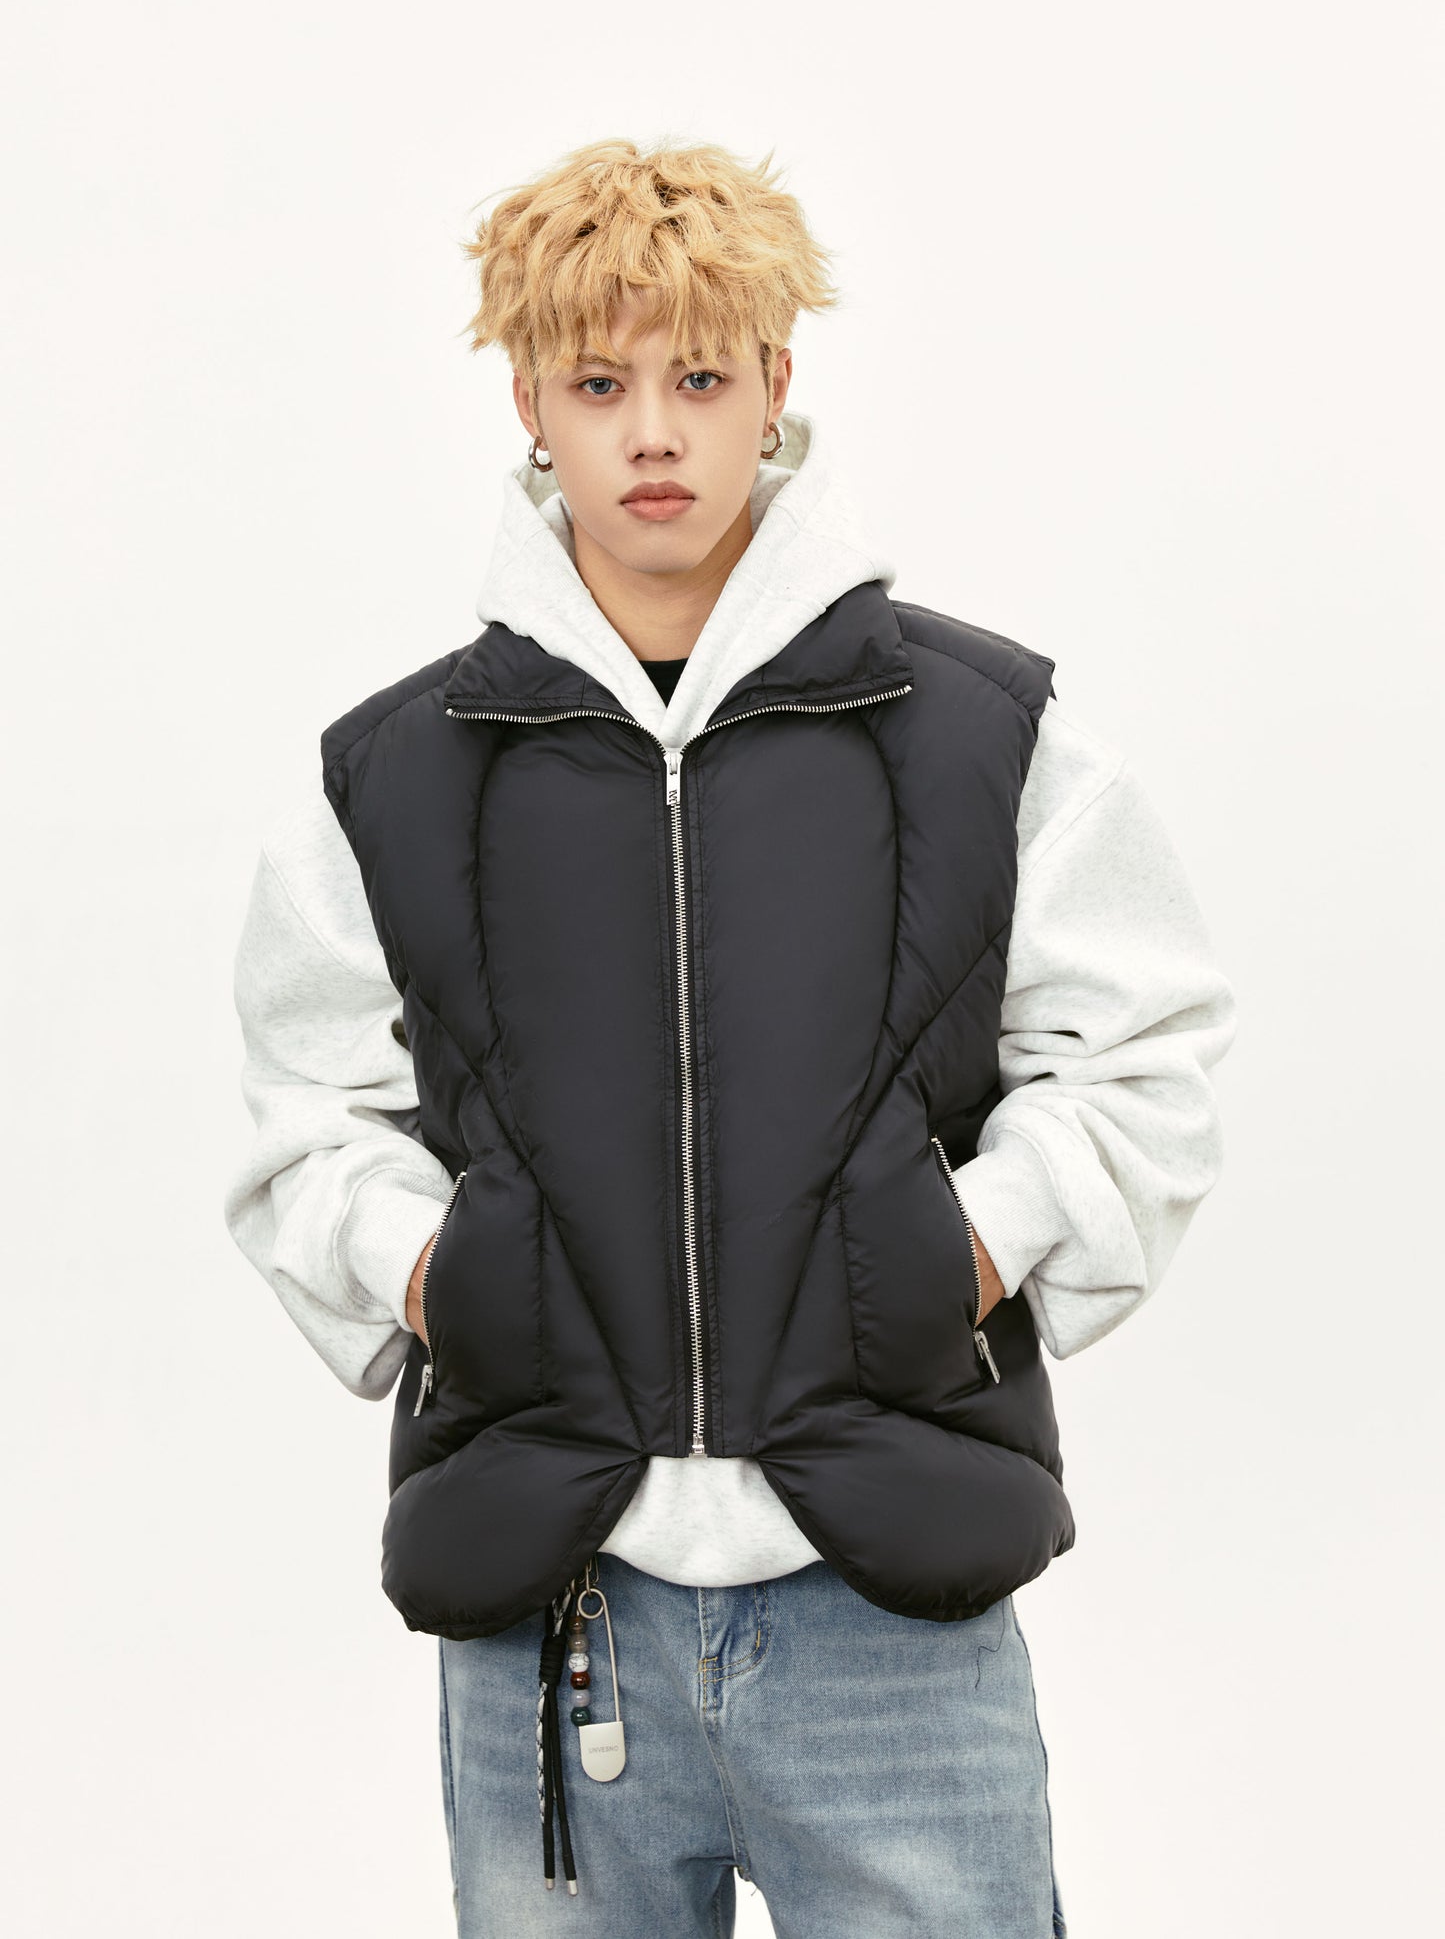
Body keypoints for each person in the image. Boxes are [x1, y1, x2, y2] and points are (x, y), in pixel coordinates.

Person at [224, 136, 1237, 1938]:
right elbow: (311, 1109)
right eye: (597, 384)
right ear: (527, 403)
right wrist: (440, 1274)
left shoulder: (981, 734)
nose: (652, 434)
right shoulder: (392, 775)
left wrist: (963, 1248)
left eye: (698, 379)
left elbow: (1140, 1056)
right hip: (556, 1618)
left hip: (890, 1618)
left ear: (776, 384)